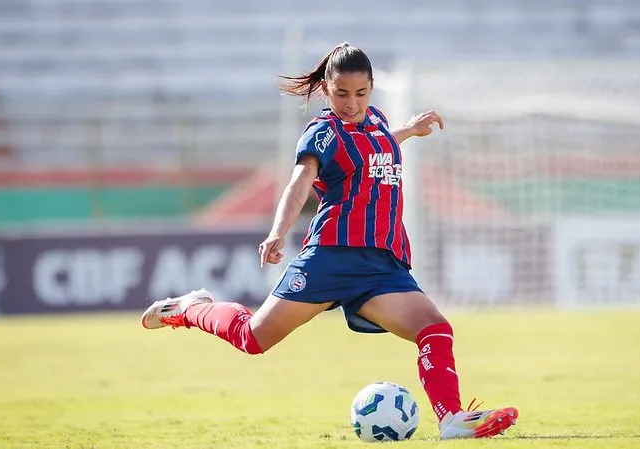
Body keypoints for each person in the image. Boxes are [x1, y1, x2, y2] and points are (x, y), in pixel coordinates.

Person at [141, 42, 518, 440]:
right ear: (325, 89)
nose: (351, 103)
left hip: (381, 266)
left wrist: (409, 129)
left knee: (434, 328)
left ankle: (451, 419)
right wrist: (277, 232)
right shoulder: (322, 133)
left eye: (360, 93)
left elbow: (374, 144)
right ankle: (191, 307)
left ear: (372, 88)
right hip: (330, 259)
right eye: (341, 94)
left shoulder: (376, 121)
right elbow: (299, 182)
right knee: (253, 338)